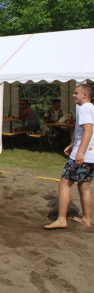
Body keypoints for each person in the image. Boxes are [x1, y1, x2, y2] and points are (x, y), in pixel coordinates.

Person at [45, 84, 94, 229]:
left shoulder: (84, 108)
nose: (73, 95)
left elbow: (88, 131)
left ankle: (61, 219)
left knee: (64, 184)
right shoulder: (92, 107)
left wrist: (79, 151)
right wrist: (74, 144)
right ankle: (86, 219)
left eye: (76, 93)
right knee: (84, 187)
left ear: (84, 95)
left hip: (82, 156)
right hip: (91, 155)